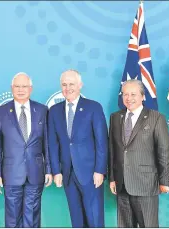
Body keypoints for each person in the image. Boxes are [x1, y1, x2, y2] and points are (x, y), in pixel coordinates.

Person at [0, 72, 52, 227]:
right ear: (12, 88)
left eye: (24, 86)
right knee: (12, 218)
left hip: (36, 173)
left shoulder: (42, 110)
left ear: (30, 89)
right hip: (11, 174)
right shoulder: (2, 112)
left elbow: (47, 144)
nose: (20, 89)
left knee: (32, 217)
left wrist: (49, 170)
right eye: (17, 86)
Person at [108, 79, 169, 228]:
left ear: (143, 96)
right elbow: (112, 149)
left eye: (133, 94)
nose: (129, 98)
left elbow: (164, 151)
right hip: (122, 183)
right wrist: (112, 177)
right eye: (125, 94)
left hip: (146, 184)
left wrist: (164, 181)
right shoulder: (115, 117)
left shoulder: (156, 118)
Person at [48, 69, 108, 227]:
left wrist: (100, 170)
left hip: (90, 174)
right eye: (64, 84)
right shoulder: (54, 111)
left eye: (72, 84)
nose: (68, 88)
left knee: (94, 219)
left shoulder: (93, 107)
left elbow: (102, 141)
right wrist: (56, 171)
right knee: (77, 220)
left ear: (80, 85)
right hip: (68, 174)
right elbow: (53, 144)